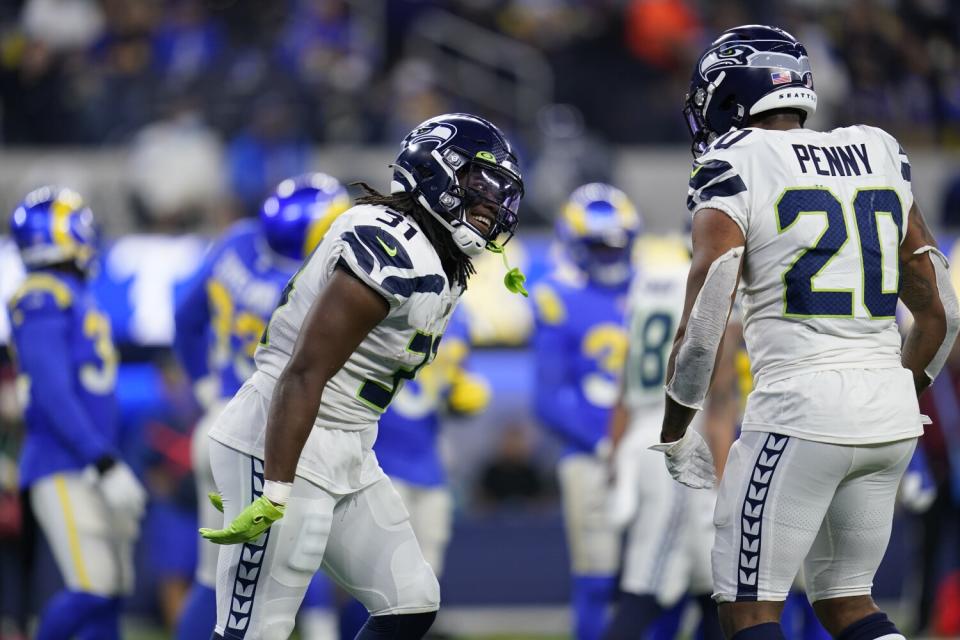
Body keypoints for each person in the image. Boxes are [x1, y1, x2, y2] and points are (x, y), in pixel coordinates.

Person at [653, 24, 960, 640]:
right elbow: (941, 310)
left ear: (727, 97)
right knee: (848, 603)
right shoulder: (878, 149)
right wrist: (888, 389)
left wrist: (676, 428)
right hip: (890, 413)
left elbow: (708, 317)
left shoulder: (733, 161)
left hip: (799, 408)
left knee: (747, 608)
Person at [198, 112, 525, 640]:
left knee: (410, 602)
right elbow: (304, 372)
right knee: (255, 631)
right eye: (478, 184)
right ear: (438, 173)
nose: (491, 203)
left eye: (498, 190)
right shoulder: (390, 244)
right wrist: (275, 486)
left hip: (347, 445)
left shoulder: (433, 255)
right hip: (286, 437)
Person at [173, 173, 351, 640]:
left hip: (219, 422)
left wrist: (205, 387)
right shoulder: (307, 285)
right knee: (298, 556)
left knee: (214, 580)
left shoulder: (236, 242)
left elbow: (183, 317)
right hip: (265, 435)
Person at [6, 186, 147, 639]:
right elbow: (51, 390)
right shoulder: (40, 294)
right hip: (64, 460)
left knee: (113, 591)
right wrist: (100, 459)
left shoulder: (71, 293)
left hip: (91, 458)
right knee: (94, 586)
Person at [604, 236, 738, 640]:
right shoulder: (717, 287)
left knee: (713, 584)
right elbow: (721, 393)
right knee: (647, 583)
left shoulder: (648, 282)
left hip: (639, 439)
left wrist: (614, 455)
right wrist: (722, 476)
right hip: (681, 445)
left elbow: (624, 387)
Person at [531, 183, 641, 640]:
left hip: (651, 449)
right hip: (590, 453)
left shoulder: (656, 286)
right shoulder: (557, 295)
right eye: (598, 244)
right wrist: (604, 443)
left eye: (616, 243)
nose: (609, 254)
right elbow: (548, 398)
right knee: (597, 576)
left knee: (657, 581)